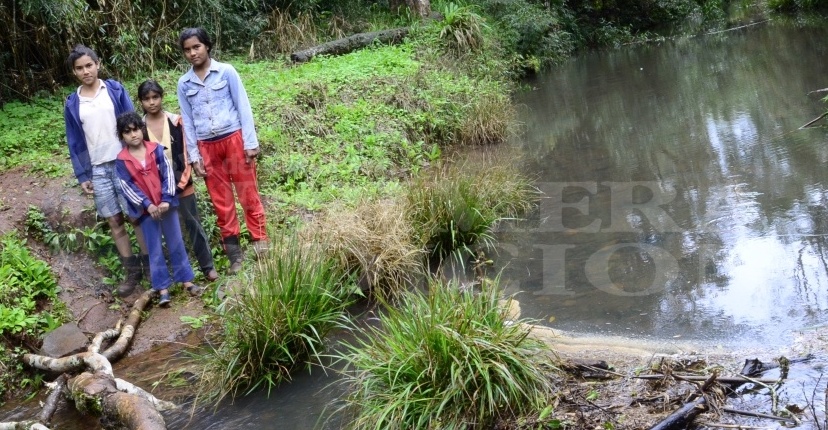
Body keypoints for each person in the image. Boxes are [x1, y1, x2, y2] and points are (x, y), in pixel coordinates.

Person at [176, 27, 268, 275]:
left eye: (196, 47)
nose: (193, 53)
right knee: (222, 203)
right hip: (207, 148)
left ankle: (260, 243)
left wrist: (250, 142)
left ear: (206, 46)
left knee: (248, 193)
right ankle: (234, 255)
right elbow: (188, 122)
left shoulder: (226, 72)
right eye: (187, 50)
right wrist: (194, 157)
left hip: (234, 140)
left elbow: (243, 105)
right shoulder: (184, 84)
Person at [64, 44, 148, 296]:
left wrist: (139, 155)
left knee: (136, 214)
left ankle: (151, 264)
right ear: (74, 72)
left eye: (89, 65)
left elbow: (133, 123)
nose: (86, 71)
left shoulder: (114, 90)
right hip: (98, 168)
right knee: (114, 219)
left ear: (98, 64)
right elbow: (75, 141)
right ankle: (131, 271)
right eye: (79, 68)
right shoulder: (72, 103)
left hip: (124, 161)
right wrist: (82, 174)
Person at [114, 112, 202, 307]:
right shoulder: (122, 160)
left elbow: (168, 175)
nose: (133, 134)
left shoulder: (156, 150)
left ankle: (186, 280)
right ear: (122, 136)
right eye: (127, 132)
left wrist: (166, 199)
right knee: (154, 249)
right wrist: (148, 205)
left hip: (166, 206)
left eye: (136, 129)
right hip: (146, 212)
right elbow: (127, 187)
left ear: (142, 129)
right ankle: (162, 288)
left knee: (176, 242)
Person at [138, 79, 219, 282]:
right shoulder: (138, 128)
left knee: (193, 223)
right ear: (141, 102)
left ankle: (207, 266)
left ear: (162, 97)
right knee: (165, 231)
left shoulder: (176, 121)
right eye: (146, 99)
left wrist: (182, 182)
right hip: (156, 191)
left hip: (183, 183)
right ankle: (174, 275)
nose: (152, 102)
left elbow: (186, 150)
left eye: (155, 97)